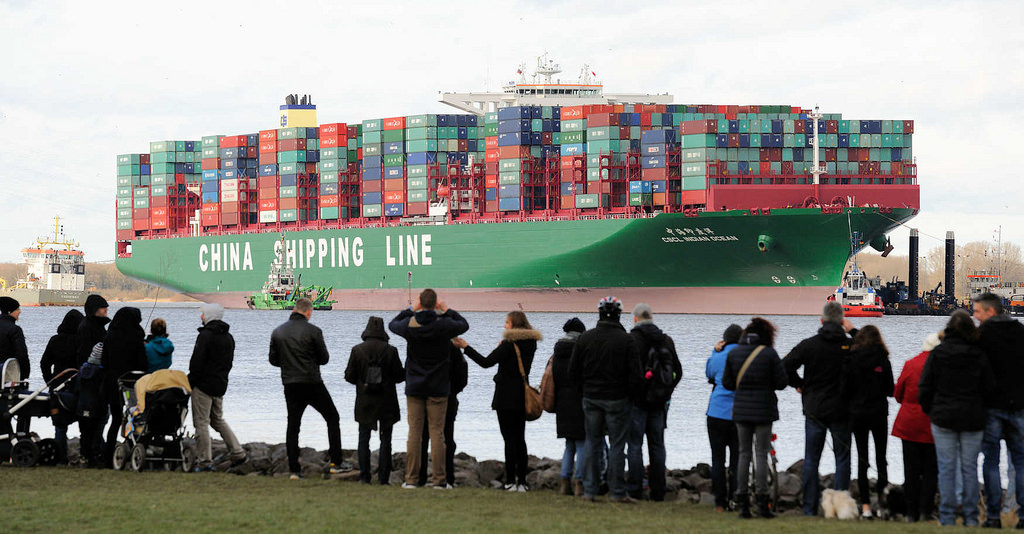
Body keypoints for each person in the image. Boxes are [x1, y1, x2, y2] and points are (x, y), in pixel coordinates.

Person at [919, 310, 996, 527]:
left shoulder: (937, 354)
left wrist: (932, 411)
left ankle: (947, 515)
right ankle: (971, 516)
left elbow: (924, 387)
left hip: (943, 418)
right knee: (969, 468)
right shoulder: (979, 355)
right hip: (972, 418)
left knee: (946, 468)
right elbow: (989, 388)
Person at [388, 288, 469, 489]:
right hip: (439, 387)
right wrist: (447, 309)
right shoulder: (444, 326)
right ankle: (440, 480)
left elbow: (392, 324)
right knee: (438, 434)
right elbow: (464, 325)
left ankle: (412, 479)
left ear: (420, 304)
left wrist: (410, 309)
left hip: (415, 387)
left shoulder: (410, 325)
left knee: (414, 434)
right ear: (435, 305)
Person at [783, 301, 856, 516]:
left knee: (811, 458)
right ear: (842, 321)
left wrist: (799, 384)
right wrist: (853, 332)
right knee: (842, 459)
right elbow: (876, 353)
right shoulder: (851, 346)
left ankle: (809, 508)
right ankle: (840, 507)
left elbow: (784, 365)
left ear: (821, 320)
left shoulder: (809, 345)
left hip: (814, 409)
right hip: (842, 409)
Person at [456, 311, 543, 492]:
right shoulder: (531, 344)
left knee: (509, 440)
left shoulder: (508, 346)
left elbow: (486, 362)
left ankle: (510, 481)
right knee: (520, 439)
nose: (504, 326)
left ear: (514, 325)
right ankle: (523, 482)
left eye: (507, 322)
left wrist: (466, 346)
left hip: (505, 397)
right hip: (522, 395)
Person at [569, 296, 642, 503]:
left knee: (593, 443)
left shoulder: (585, 338)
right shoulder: (627, 340)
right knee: (618, 446)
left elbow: (572, 372)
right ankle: (617, 492)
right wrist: (630, 395)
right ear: (619, 314)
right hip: (618, 400)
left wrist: (584, 391)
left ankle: (590, 491)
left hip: (591, 398)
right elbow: (635, 375)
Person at [269, 297, 343, 479]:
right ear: (309, 312)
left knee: (293, 424)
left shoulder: (278, 332)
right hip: (312, 382)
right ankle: (336, 463)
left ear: (295, 309)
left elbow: (273, 360)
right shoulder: (314, 331)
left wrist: (289, 365)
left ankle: (294, 470)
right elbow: (324, 358)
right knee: (332, 417)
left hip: (290, 383)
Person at [722, 317, 788, 519]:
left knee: (743, 454)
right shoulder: (769, 354)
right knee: (761, 454)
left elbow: (727, 383)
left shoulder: (734, 353)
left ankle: (742, 503)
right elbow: (782, 382)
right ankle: (762, 503)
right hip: (764, 411)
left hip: (741, 411)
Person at [973, 292, 1024, 528]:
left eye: (977, 312)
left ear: (990, 311)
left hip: (992, 406)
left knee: (991, 461)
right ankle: (1022, 515)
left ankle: (993, 516)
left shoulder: (982, 336)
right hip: (1019, 407)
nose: (975, 317)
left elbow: (976, 372)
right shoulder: (1020, 333)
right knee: (1021, 462)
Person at [626, 303, 681, 502]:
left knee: (634, 445)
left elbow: (625, 373)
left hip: (636, 403)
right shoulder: (666, 340)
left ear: (635, 318)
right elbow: (678, 372)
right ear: (652, 318)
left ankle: (634, 489)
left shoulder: (630, 341)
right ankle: (658, 491)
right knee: (657, 445)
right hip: (659, 403)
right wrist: (665, 393)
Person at [344, 316, 405, 485]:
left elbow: (349, 376)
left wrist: (362, 382)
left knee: (363, 438)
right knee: (386, 440)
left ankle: (364, 477)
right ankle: (383, 479)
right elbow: (400, 377)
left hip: (365, 401)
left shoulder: (357, 350)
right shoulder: (391, 351)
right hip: (387, 401)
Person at [843, 325, 894, 518]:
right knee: (882, 459)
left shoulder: (851, 359)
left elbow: (845, 389)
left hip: (857, 414)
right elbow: (890, 389)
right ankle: (881, 505)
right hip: (879, 413)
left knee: (862, 460)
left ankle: (865, 507)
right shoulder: (883, 359)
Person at [188, 303, 246, 472]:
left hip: (203, 385)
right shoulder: (229, 338)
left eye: (203, 314)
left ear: (210, 316)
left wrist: (190, 382)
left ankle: (205, 461)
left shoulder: (205, 336)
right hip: (220, 384)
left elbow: (197, 363)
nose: (201, 317)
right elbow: (229, 363)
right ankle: (238, 452)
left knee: (201, 423)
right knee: (218, 420)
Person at [892, 332, 939, 523]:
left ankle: (911, 512)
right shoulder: (942, 367)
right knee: (930, 471)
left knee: (910, 470)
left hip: (909, 423)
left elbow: (898, 394)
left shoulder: (911, 364)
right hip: (932, 425)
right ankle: (925, 511)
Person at [100, 306, 148, 466]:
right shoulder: (137, 335)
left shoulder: (110, 335)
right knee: (136, 418)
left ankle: (107, 456)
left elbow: (103, 362)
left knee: (115, 420)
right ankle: (136, 451)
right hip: (132, 386)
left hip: (113, 384)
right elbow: (143, 364)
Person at [418, 341, 468, 488]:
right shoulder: (453, 350)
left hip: (425, 398)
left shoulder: (422, 346)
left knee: (423, 438)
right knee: (446, 438)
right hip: (448, 397)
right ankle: (447, 477)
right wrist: (452, 391)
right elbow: (462, 377)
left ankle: (419, 477)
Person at [706, 324, 743, 511]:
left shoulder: (719, 356)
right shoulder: (746, 356)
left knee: (718, 459)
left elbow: (709, 373)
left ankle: (719, 502)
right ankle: (735, 499)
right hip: (739, 414)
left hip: (716, 412)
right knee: (737, 460)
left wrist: (715, 351)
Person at [40, 309, 84, 464]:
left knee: (60, 425)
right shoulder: (81, 342)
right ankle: (85, 456)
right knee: (85, 424)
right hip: (78, 388)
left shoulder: (55, 340)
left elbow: (44, 363)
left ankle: (60, 458)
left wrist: (50, 382)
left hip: (58, 388)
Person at [551, 317, 587, 496]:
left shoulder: (557, 352)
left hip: (562, 403)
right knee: (581, 444)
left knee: (569, 445)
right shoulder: (582, 351)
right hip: (580, 401)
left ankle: (564, 482)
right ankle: (579, 481)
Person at [76, 343, 106, 468]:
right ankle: (95, 457)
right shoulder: (102, 372)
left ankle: (84, 456)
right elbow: (103, 391)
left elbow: (77, 389)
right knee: (96, 433)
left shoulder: (82, 370)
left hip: (82, 406)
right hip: (97, 407)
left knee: (84, 433)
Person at [76, 294, 109, 367]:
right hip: (92, 369)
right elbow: (83, 351)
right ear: (95, 309)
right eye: (103, 307)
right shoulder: (86, 327)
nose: (106, 309)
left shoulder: (98, 325)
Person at [0, 296, 29, 380]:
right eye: (17, 309)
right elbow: (21, 354)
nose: (20, 311)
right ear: (10, 312)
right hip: (7, 373)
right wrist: (24, 375)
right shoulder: (15, 329)